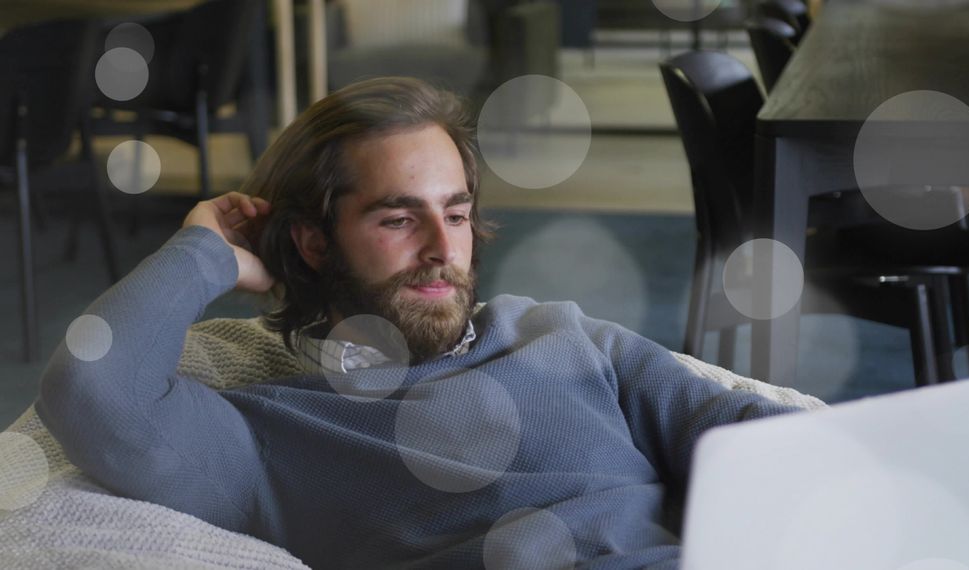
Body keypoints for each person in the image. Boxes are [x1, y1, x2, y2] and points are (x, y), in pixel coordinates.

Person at [37, 77, 797, 569]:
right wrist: (206, 251)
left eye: (457, 214)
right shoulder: (273, 435)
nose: (443, 250)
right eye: (400, 219)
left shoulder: (562, 335)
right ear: (312, 238)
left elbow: (753, 434)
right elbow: (91, 388)